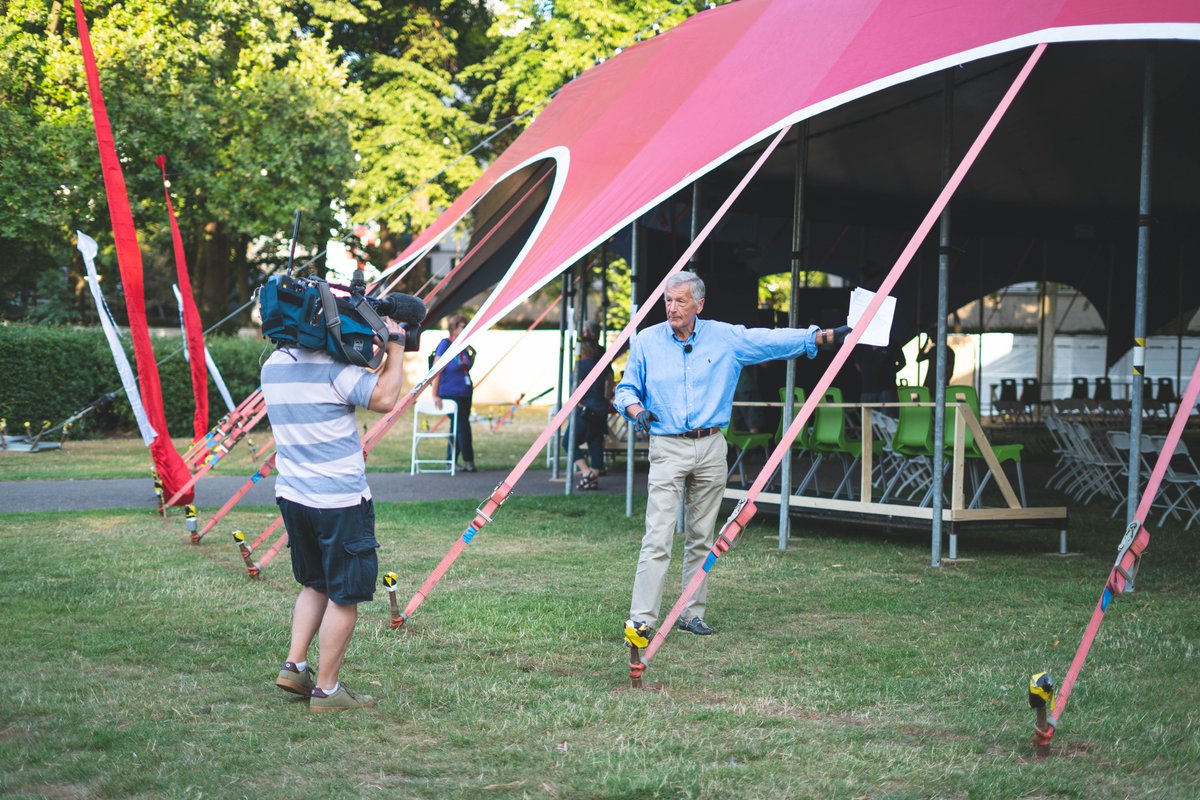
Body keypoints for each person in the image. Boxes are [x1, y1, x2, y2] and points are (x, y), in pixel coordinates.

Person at [614, 271, 848, 644]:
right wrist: (635, 408)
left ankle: (691, 614)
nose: (672, 309)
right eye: (668, 301)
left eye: (680, 302)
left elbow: (768, 341)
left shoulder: (724, 337)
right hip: (667, 446)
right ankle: (641, 622)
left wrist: (818, 337)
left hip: (711, 447)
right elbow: (624, 388)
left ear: (699, 305)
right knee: (657, 537)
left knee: (701, 536)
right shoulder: (646, 342)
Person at [262, 317, 408, 712]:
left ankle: (295, 666)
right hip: (340, 501)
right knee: (345, 595)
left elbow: (357, 379)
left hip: (293, 495)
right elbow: (385, 398)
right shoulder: (334, 371)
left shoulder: (273, 365)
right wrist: (394, 344)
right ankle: (327, 690)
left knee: (315, 584)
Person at [564, 321, 613, 490]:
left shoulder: (581, 366)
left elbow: (575, 389)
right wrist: (606, 398)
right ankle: (593, 476)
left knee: (567, 442)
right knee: (594, 442)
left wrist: (578, 402)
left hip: (586, 410)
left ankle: (586, 473)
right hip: (600, 408)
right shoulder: (600, 362)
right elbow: (609, 379)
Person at [431, 315, 477, 472]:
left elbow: (464, 367)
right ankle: (469, 460)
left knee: (457, 426)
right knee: (463, 425)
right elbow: (436, 369)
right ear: (454, 328)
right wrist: (434, 394)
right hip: (449, 392)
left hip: (465, 391)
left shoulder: (464, 346)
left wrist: (472, 355)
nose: (465, 329)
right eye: (463, 326)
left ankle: (450, 461)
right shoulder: (445, 344)